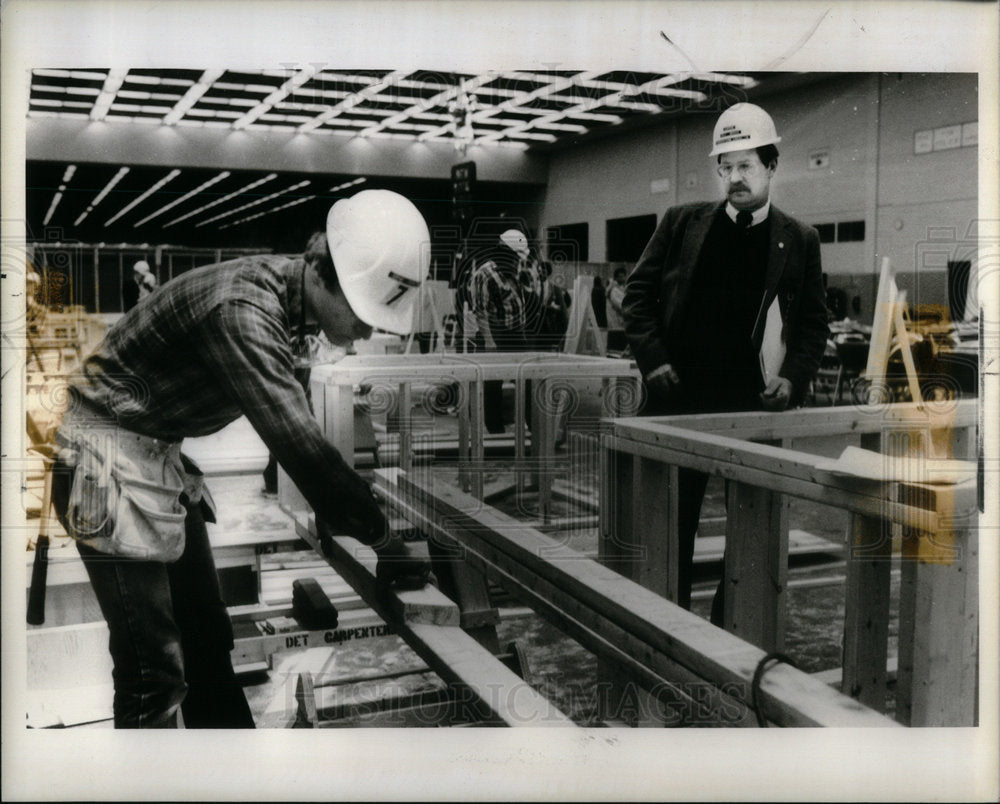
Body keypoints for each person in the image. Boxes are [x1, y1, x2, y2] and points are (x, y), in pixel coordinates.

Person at [50, 190, 433, 728]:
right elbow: (301, 448)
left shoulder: (287, 300)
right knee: (153, 673)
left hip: (152, 451)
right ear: (328, 277)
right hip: (101, 458)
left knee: (207, 640)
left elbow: (303, 433)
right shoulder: (245, 311)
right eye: (366, 314)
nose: (369, 330)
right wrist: (384, 541)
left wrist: (341, 510)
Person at [622, 103, 829, 624]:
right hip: (679, 402)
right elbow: (638, 296)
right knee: (670, 526)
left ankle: (725, 631)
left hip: (751, 407)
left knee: (751, 529)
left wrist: (792, 379)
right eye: (727, 167)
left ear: (771, 167)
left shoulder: (799, 240)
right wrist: (654, 362)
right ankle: (669, 629)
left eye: (746, 166)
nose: (735, 178)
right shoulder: (681, 223)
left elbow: (812, 327)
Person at [459, 228, 533, 434]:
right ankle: (495, 430)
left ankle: (532, 425)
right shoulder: (484, 274)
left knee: (528, 380)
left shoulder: (515, 271)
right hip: (495, 335)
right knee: (493, 385)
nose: (518, 262)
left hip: (516, 333)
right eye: (515, 257)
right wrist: (491, 343)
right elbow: (481, 312)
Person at [605, 267, 628, 353]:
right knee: (615, 349)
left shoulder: (624, 289)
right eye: (620, 276)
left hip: (622, 321)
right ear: (616, 278)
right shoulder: (614, 290)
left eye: (624, 276)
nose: (623, 278)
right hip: (616, 322)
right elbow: (620, 305)